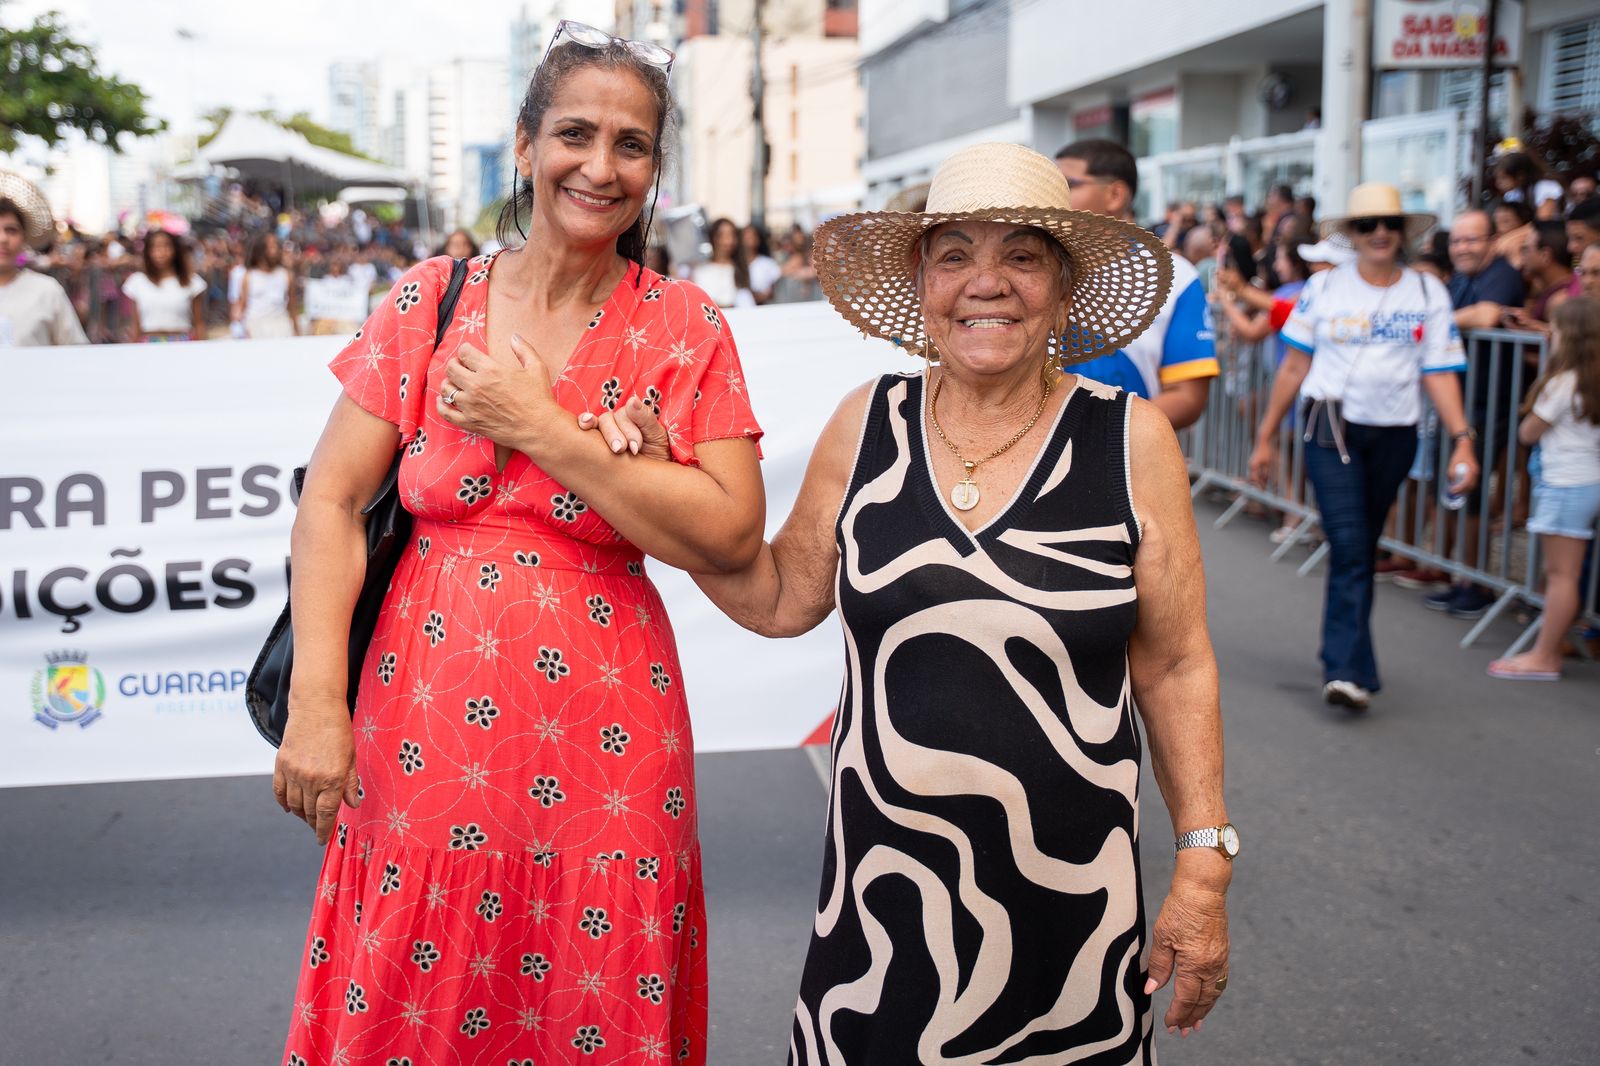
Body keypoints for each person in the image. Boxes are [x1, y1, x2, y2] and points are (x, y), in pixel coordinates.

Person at [583, 141, 1234, 1062]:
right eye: (956, 253)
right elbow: (776, 597)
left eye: (1022, 255)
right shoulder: (868, 423)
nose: (987, 282)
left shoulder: (1128, 440)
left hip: (1073, 917)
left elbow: (1174, 663)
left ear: (1060, 284)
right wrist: (656, 488)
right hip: (882, 919)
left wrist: (1204, 864)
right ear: (924, 281)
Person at [273, 23, 764, 1066]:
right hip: (421, 716)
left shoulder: (684, 327)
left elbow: (730, 530)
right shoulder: (428, 300)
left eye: (631, 145)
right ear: (525, 142)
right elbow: (330, 499)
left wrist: (545, 430)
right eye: (576, 134)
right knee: (415, 975)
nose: (601, 165)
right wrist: (319, 698)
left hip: (612, 738)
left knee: (594, 973)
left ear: (655, 172)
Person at [1248, 183, 1479, 711]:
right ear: (1351, 235)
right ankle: (1345, 670)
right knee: (1350, 545)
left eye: (1390, 224)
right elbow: (1293, 365)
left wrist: (1464, 441)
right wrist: (1264, 437)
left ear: (1402, 234)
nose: (1380, 233)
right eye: (1368, 224)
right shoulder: (1326, 290)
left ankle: (1358, 662)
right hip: (1331, 428)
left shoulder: (1427, 293)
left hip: (1395, 433)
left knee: (1364, 545)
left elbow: (1440, 373)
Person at [1054, 139, 1219, 428]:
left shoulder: (1175, 276)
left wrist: (1103, 434)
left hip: (1124, 462)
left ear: (1115, 194)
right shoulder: (1029, 267)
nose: (1053, 194)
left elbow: (1187, 396)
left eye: (1068, 183)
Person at [1489, 298, 1600, 680]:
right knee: (1564, 575)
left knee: (1561, 576)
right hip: (1586, 480)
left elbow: (1528, 432)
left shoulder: (1563, 382)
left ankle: (1545, 655)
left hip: (1565, 482)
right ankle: (1551, 646)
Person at [1429, 209, 1527, 618]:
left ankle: (1475, 583)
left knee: (1468, 494)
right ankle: (1459, 576)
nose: (1464, 248)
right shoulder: (1464, 280)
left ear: (1492, 242)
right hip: (1461, 400)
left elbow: (1486, 316)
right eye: (1458, 241)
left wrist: (1441, 323)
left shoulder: (1501, 274)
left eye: (1473, 240)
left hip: (1490, 404)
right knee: (1453, 491)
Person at [0, 174, 87, 348]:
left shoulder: (47, 291)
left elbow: (76, 352)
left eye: (11, 230)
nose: (3, 238)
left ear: (24, 238)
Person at [122, 230, 206, 342]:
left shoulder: (192, 281)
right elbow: (135, 325)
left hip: (182, 345)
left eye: (166, 246)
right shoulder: (138, 282)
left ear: (175, 249)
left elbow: (199, 323)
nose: (161, 252)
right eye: (155, 247)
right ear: (148, 251)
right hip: (148, 345)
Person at [1503, 221, 1575, 331]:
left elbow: (1565, 340)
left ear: (1545, 256)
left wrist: (1534, 327)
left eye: (1526, 249)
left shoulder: (1561, 300)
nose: (1522, 256)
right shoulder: (1543, 290)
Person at [234, 232, 297, 337]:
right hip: (255, 327)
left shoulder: (286, 275)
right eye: (271, 246)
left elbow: (292, 307)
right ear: (260, 251)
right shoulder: (249, 276)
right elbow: (242, 305)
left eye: (276, 246)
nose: (276, 250)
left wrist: (296, 330)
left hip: (281, 327)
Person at [689, 216, 753, 308]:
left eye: (732, 235)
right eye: (723, 236)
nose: (729, 241)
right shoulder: (700, 270)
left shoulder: (741, 268)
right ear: (714, 238)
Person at [1494, 152, 1565, 220]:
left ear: (1520, 176)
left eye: (1504, 178)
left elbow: (1543, 221)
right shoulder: (1512, 195)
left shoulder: (1546, 187)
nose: (1498, 183)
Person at [740, 222, 781, 304]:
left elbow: (773, 292)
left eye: (752, 236)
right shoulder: (735, 264)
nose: (749, 239)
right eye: (746, 236)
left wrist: (758, 296)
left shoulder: (769, 264)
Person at [1491, 197, 1535, 271]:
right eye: (1496, 221)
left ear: (1522, 223)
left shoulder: (1519, 243)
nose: (1499, 228)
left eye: (1506, 221)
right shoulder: (1497, 240)